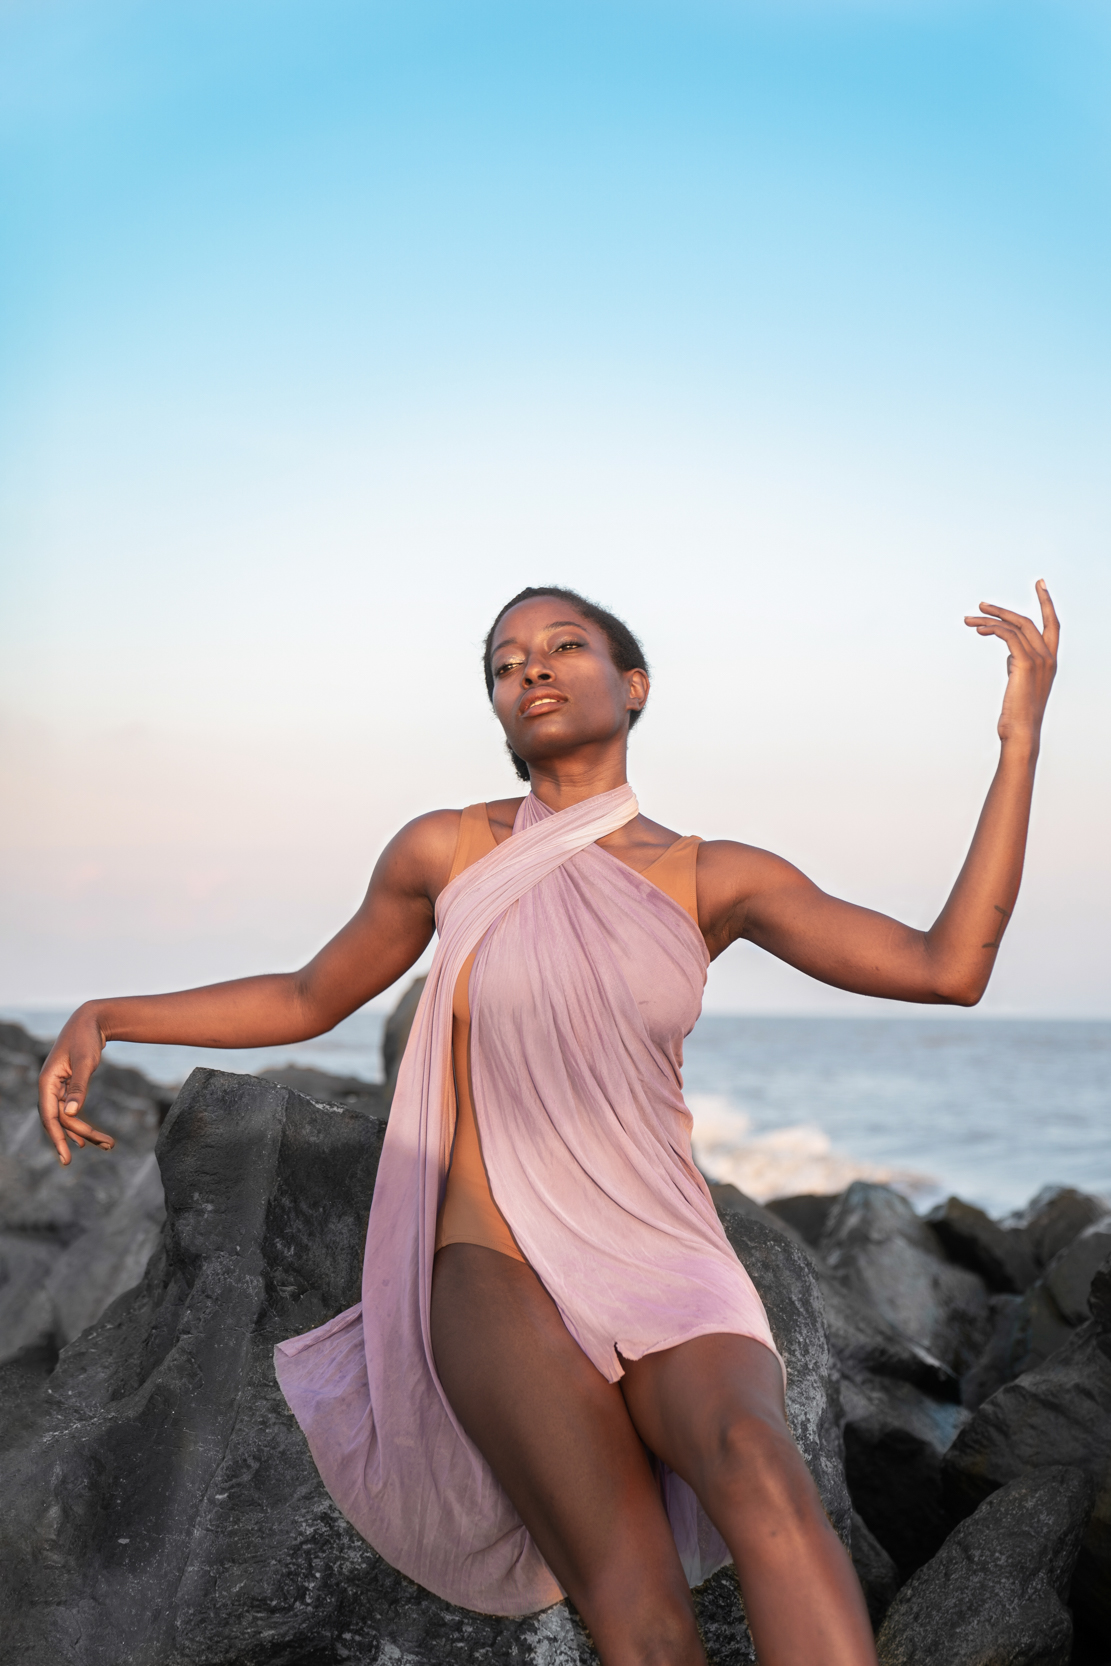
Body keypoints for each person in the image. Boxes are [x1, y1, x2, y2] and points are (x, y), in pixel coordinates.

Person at [39, 581, 1059, 1666]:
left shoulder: (716, 876)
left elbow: (947, 968)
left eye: (563, 645)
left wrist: (1019, 742)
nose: (529, 667)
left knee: (762, 1471)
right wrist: (110, 1015)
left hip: (665, 1254)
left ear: (634, 687)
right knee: (637, 1611)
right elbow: (306, 996)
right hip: (496, 1259)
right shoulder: (446, 851)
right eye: (503, 660)